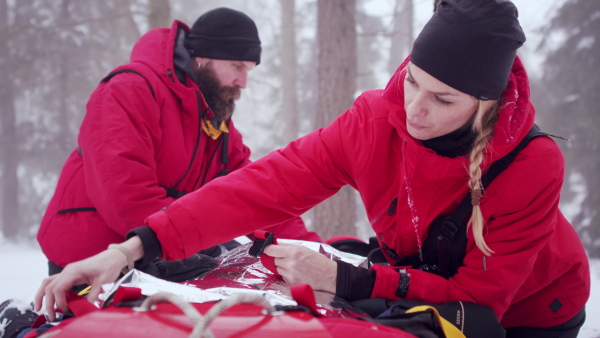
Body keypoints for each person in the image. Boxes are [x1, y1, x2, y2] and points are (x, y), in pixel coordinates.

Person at [36, 1, 590, 337]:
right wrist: (129, 249)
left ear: (487, 105)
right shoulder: (376, 119)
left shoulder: (530, 163)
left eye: (444, 100)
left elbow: (479, 300)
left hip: (532, 310)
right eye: (412, 81)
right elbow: (260, 189)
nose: (415, 110)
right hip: (418, 278)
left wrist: (347, 277)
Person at [36, 7, 320, 276]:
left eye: (248, 70)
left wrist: (317, 251)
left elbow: (255, 195)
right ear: (202, 58)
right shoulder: (129, 91)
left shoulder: (214, 122)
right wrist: (201, 240)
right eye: (237, 66)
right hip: (91, 262)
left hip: (160, 254)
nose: (243, 81)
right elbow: (126, 200)